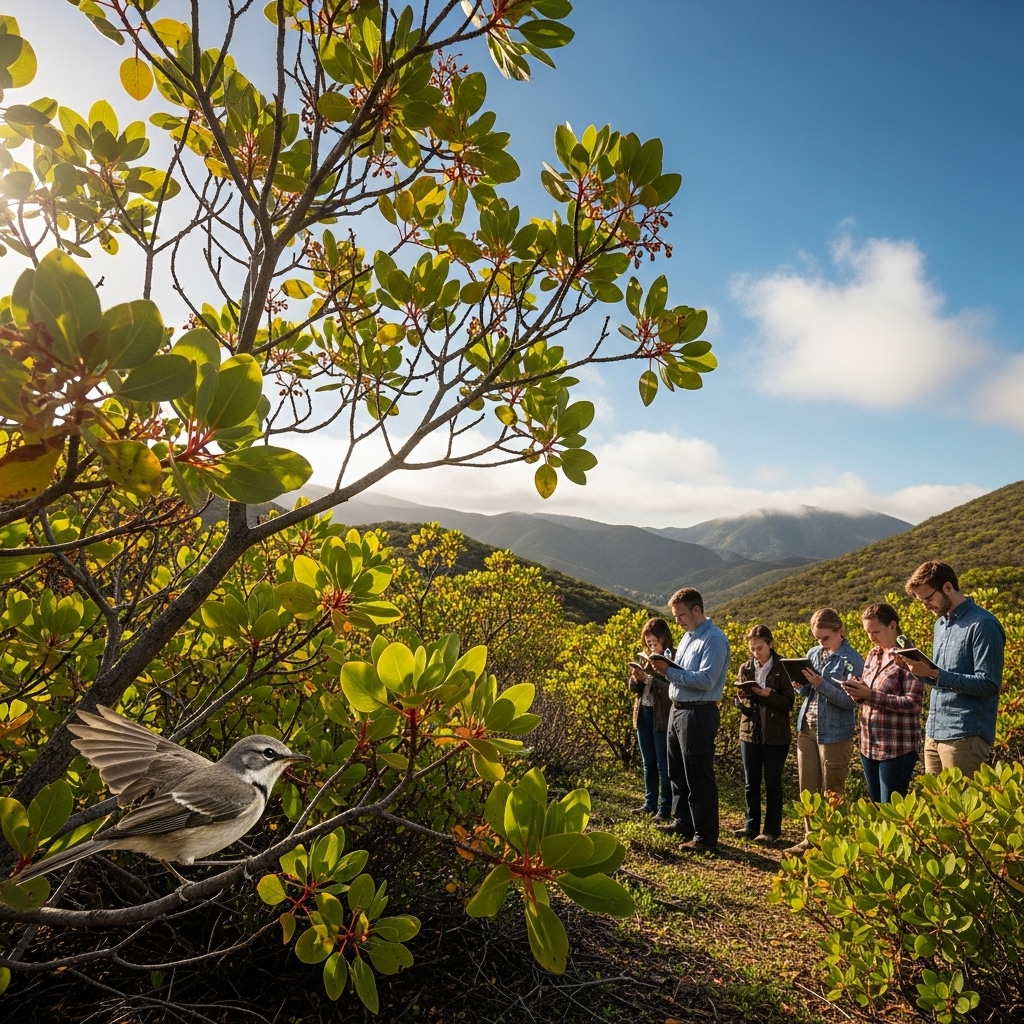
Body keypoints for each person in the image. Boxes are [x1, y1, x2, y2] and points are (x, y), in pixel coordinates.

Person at [899, 560, 1005, 777]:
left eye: (928, 598)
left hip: (965, 736)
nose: (925, 606)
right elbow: (938, 677)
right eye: (921, 601)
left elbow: (989, 684)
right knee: (937, 808)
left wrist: (935, 674)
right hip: (934, 734)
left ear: (948, 587)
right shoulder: (940, 624)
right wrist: (915, 667)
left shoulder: (983, 624)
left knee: (963, 807)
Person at [648, 587, 730, 854]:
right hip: (678, 709)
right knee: (677, 771)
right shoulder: (686, 638)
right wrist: (665, 666)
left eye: (681, 615)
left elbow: (706, 680)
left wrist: (669, 671)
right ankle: (682, 822)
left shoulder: (714, 640)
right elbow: (682, 672)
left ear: (697, 610)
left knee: (698, 775)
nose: (677, 621)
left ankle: (705, 837)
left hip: (699, 711)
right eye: (675, 616)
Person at [784, 607, 863, 857]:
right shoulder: (814, 654)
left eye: (825, 638)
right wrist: (801, 685)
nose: (821, 643)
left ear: (840, 631)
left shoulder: (852, 659)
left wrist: (821, 683)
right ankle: (810, 839)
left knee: (833, 790)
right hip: (807, 728)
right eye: (817, 638)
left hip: (836, 732)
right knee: (807, 788)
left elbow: (851, 701)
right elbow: (808, 692)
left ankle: (833, 845)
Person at [842, 603, 924, 802]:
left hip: (896, 748)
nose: (872, 637)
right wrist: (857, 692)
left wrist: (870, 695)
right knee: (878, 807)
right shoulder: (874, 654)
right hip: (869, 745)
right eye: (868, 632)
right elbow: (870, 693)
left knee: (891, 809)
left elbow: (913, 703)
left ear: (892, 625)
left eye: (876, 631)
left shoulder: (910, 656)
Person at [733, 625, 794, 844]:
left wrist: (769, 695)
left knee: (772, 783)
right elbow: (743, 703)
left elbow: (788, 704)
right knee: (751, 782)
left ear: (771, 644)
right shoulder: (746, 668)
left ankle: (771, 830)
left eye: (760, 648)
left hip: (776, 735)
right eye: (752, 649)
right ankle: (751, 826)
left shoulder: (783, 668)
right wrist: (740, 699)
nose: (756, 653)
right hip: (749, 733)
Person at [626, 617, 674, 822]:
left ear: (664, 639)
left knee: (664, 765)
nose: (651, 645)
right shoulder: (647, 659)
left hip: (661, 717)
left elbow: (672, 690)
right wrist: (636, 677)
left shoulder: (671, 660)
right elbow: (634, 690)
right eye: (648, 642)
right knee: (649, 763)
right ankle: (649, 803)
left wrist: (650, 680)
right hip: (643, 715)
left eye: (655, 642)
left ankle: (665, 807)